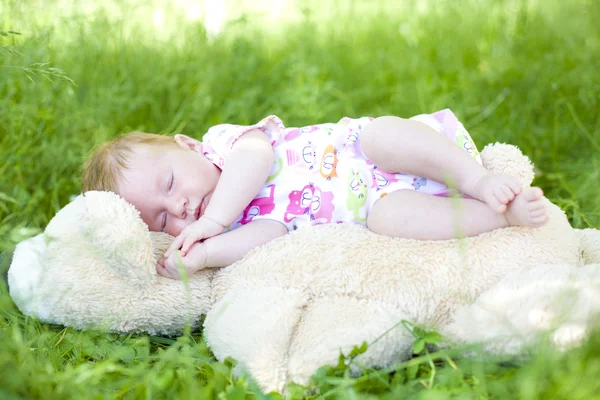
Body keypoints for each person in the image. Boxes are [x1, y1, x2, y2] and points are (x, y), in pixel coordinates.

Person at [82, 110, 548, 280]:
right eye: (164, 221)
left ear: (187, 145)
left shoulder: (225, 145)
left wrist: (212, 222)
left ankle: (475, 179)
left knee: (382, 132)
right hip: (375, 203)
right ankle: (500, 217)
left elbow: (258, 156)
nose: (180, 206)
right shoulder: (239, 224)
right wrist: (206, 255)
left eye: (169, 185)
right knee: (391, 221)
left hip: (374, 153)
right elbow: (267, 234)